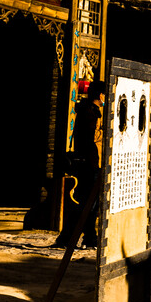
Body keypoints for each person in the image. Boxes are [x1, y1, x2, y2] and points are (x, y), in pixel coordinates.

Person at [55, 82, 104, 248]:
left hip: (93, 162)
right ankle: (69, 237)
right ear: (100, 95)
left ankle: (88, 237)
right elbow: (91, 140)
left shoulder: (90, 111)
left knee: (90, 204)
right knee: (87, 203)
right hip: (90, 163)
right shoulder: (90, 113)